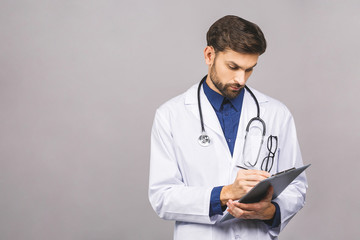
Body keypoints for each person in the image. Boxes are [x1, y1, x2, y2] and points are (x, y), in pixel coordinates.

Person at [148, 15, 307, 240]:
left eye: (249, 69)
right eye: (233, 67)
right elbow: (162, 198)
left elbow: (296, 187)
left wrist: (271, 211)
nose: (241, 79)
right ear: (209, 55)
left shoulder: (276, 113)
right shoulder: (170, 115)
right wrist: (225, 193)